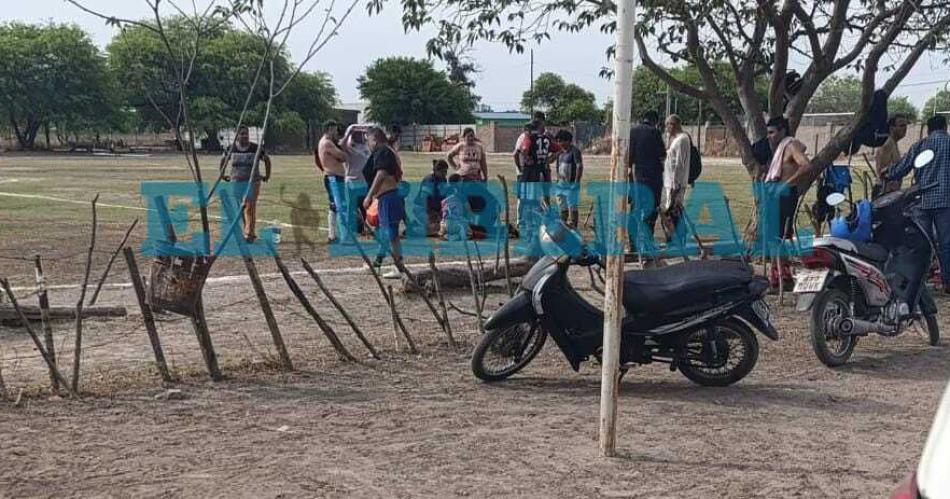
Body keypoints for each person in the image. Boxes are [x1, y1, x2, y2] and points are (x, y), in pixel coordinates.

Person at [885, 114, 950, 295]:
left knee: (921, 244)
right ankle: (947, 281)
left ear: (928, 130)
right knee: (946, 243)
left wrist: (887, 173)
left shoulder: (920, 145)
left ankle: (917, 281)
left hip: (923, 201)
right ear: (945, 128)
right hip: (946, 202)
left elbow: (902, 168)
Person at [764, 116, 812, 288]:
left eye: (772, 132)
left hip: (784, 196)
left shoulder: (791, 146)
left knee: (780, 236)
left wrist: (785, 185)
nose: (769, 136)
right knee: (773, 236)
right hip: (774, 196)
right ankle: (779, 274)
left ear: (782, 131)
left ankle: (781, 276)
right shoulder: (779, 149)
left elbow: (806, 165)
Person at [363, 127, 405, 279]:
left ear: (374, 139)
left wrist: (369, 196)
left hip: (389, 196)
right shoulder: (387, 151)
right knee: (387, 233)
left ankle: (396, 267)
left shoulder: (383, 151)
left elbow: (381, 174)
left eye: (368, 140)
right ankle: (380, 264)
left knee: (390, 234)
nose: (367, 144)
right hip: (387, 197)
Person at [221, 125, 271, 242]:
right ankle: (247, 230)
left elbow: (267, 160)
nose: (245, 136)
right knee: (241, 207)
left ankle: (249, 233)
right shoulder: (231, 148)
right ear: (237, 136)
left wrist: (267, 175)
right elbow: (223, 159)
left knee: (249, 207)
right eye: (242, 134)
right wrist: (222, 173)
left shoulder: (255, 148)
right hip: (236, 181)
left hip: (252, 182)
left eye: (246, 134)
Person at [628, 111, 667, 243]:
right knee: (652, 210)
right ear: (655, 121)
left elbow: (629, 158)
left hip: (638, 177)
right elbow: (662, 154)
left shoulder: (633, 132)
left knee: (635, 210)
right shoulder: (655, 132)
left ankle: (632, 242)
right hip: (654, 178)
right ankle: (647, 239)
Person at [660, 115, 691, 240]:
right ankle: (676, 237)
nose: (666, 128)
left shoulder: (682, 140)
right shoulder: (676, 139)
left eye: (668, 125)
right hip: (671, 182)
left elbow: (679, 164)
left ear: (674, 125)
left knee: (673, 212)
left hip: (676, 184)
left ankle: (677, 238)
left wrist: (675, 185)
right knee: (672, 211)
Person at [317, 121, 348, 243]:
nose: (336, 133)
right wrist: (343, 149)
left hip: (334, 177)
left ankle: (332, 234)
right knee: (339, 206)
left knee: (334, 206)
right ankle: (341, 235)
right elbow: (343, 157)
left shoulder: (326, 142)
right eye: (334, 130)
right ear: (329, 130)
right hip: (333, 177)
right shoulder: (327, 143)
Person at [340, 125, 371, 237]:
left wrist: (368, 132)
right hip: (353, 181)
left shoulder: (365, 147)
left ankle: (363, 229)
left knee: (365, 207)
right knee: (352, 207)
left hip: (364, 182)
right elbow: (341, 145)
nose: (360, 135)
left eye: (361, 134)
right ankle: (350, 231)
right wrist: (349, 132)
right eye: (357, 134)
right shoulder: (349, 147)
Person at [553, 129, 583, 227]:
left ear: (568, 141)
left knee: (572, 207)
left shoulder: (575, 151)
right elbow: (557, 166)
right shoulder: (560, 153)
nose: (559, 143)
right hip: (561, 184)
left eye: (561, 141)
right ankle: (563, 226)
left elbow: (579, 166)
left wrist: (576, 182)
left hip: (571, 185)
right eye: (558, 141)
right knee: (562, 207)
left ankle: (574, 226)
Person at [875, 114, 909, 195]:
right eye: (901, 125)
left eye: (906, 125)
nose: (905, 128)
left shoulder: (894, 143)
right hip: (885, 193)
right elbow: (882, 171)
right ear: (891, 128)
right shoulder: (887, 145)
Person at [418, 160, 449, 236]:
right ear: (436, 171)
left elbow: (444, 197)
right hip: (424, 209)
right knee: (437, 228)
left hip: (437, 210)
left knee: (446, 225)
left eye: (446, 172)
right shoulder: (429, 181)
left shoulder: (443, 180)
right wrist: (433, 214)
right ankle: (418, 229)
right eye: (443, 172)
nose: (445, 174)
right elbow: (423, 199)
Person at [440, 174, 469, 241]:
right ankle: (458, 235)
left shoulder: (443, 192)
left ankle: (446, 234)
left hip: (445, 223)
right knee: (467, 229)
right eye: (461, 181)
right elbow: (468, 209)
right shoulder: (460, 194)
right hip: (457, 223)